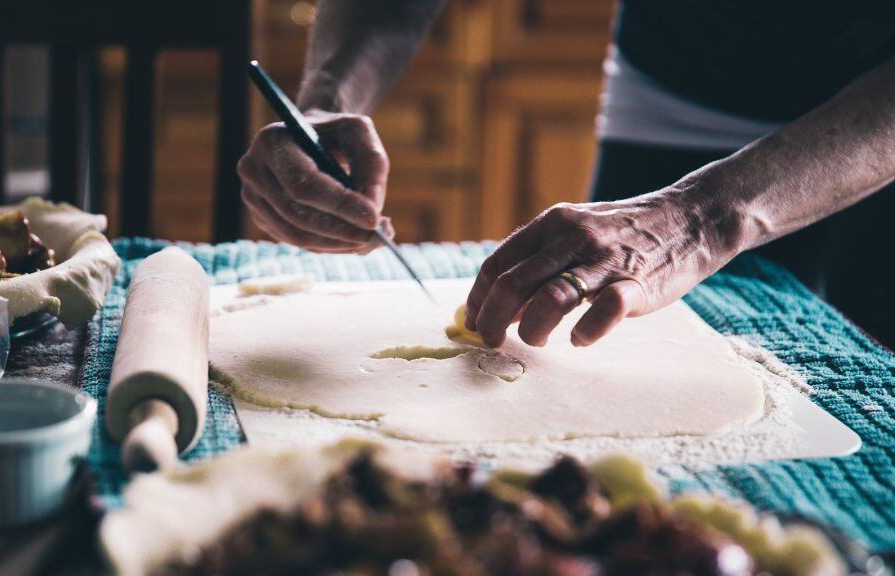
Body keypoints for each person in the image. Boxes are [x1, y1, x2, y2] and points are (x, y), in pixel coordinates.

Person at [237, 1, 895, 349]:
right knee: (601, 353)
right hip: (674, 85)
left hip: (875, 125)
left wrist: (700, 216)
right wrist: (324, 102)